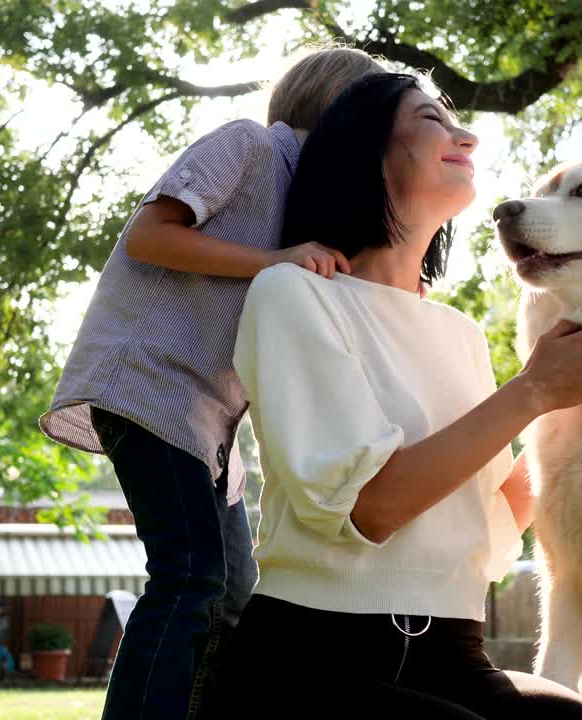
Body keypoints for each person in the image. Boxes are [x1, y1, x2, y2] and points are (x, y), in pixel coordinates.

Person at [222, 73, 582, 718]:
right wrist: (538, 388)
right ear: (365, 149)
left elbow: (488, 519)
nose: (465, 134)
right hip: (315, 660)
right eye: (432, 118)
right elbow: (372, 508)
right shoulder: (292, 293)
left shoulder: (458, 332)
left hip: (456, 655)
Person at [39, 47, 385, 720]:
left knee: (232, 592)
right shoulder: (249, 146)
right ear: (340, 106)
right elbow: (149, 236)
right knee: (189, 576)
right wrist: (272, 261)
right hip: (152, 386)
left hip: (210, 428)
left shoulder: (307, 204)